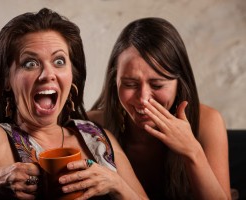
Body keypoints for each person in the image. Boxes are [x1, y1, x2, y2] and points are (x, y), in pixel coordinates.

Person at [0, 8, 148, 200]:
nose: (47, 75)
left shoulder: (98, 138)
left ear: (72, 76)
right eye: (30, 63)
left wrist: (116, 183)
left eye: (59, 61)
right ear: (7, 79)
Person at [89, 17, 231, 200]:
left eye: (157, 85)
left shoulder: (208, 122)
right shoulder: (92, 126)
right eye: (130, 84)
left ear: (179, 82)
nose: (143, 99)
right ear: (114, 81)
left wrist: (192, 151)